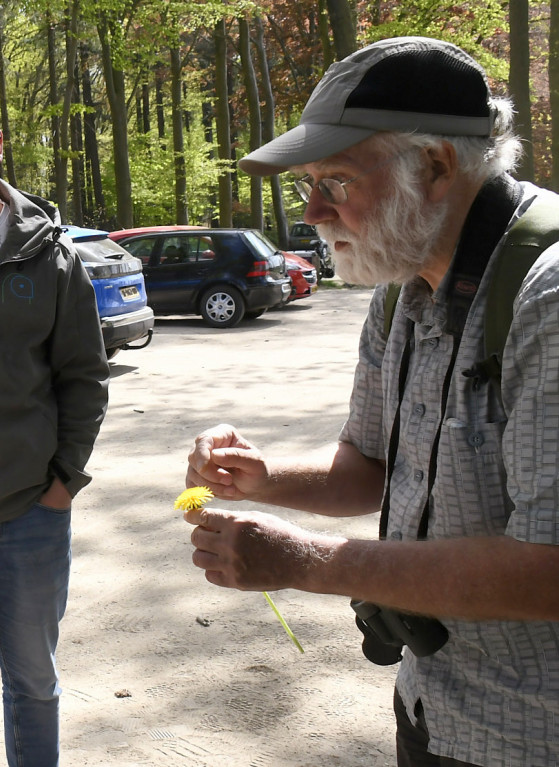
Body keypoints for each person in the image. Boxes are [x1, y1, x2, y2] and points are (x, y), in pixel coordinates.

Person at [185, 37, 559, 767]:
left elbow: (547, 566)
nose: (315, 211)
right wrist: (261, 477)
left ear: (434, 166)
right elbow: (368, 466)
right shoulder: (402, 283)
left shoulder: (544, 294)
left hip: (530, 733)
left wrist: (306, 560)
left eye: (337, 181)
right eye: (308, 185)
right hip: (430, 704)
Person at [0, 83, 109, 766]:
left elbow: (83, 377)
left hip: (28, 513)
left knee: (31, 682)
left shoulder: (50, 253)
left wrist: (63, 481)